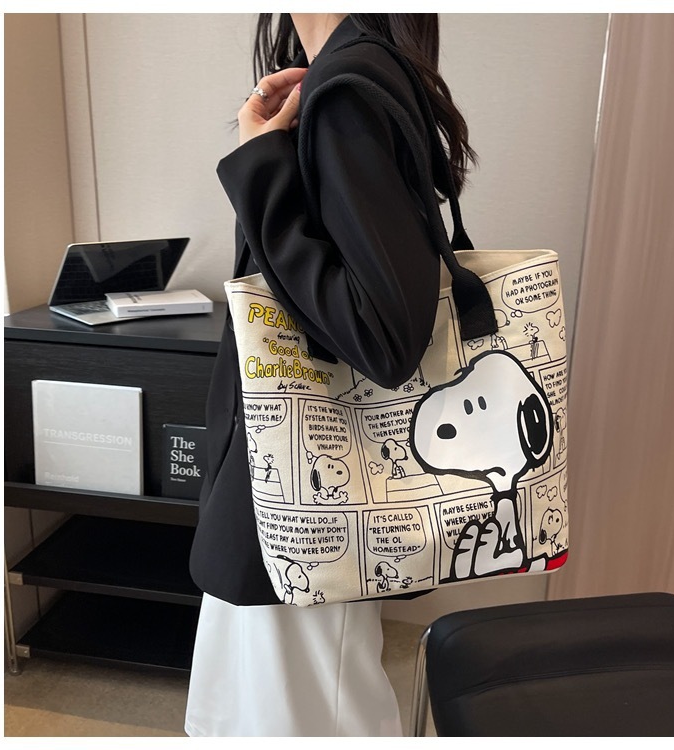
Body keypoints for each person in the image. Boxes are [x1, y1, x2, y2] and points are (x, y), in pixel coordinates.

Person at [184, 13, 476, 737]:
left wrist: (262, 167)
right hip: (293, 484)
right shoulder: (345, 76)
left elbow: (381, 334)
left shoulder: (348, 87)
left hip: (304, 499)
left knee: (296, 720)